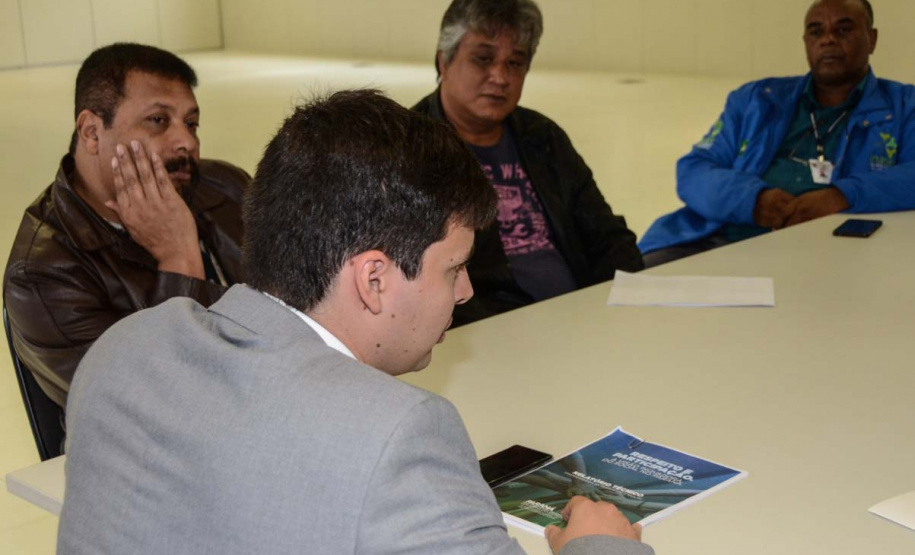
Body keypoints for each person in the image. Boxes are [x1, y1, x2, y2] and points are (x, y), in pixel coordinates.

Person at [57, 90, 654, 555]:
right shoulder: (398, 434)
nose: (467, 292)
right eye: (453, 270)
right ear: (373, 280)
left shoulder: (121, 350)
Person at [3, 43, 248, 411]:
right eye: (158, 120)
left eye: (191, 123)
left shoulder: (224, 186)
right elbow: (158, 405)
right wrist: (178, 256)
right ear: (91, 132)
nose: (188, 142)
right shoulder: (41, 275)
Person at [414, 0, 643, 326]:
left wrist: (621, 307)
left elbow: (607, 236)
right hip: (489, 333)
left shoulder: (543, 137)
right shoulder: (411, 149)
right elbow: (421, 282)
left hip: (582, 319)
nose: (500, 76)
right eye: (483, 58)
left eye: (515, 62)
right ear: (444, 62)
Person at [639, 0, 915, 266]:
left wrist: (841, 196)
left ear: (872, 39)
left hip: (837, 256)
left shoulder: (904, 106)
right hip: (719, 243)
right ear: (806, 42)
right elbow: (693, 171)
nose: (828, 39)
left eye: (843, 30)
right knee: (629, 286)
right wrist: (753, 200)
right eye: (816, 31)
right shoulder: (756, 100)